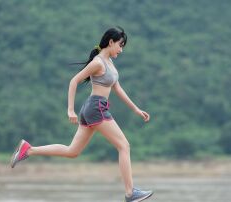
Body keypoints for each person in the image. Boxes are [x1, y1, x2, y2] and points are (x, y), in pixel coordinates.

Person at [10, 26, 153, 202]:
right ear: (111, 42)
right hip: (96, 109)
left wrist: (136, 109)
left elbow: (117, 87)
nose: (121, 50)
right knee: (124, 146)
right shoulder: (98, 62)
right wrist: (70, 109)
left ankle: (28, 150)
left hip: (93, 109)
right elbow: (74, 81)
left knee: (72, 151)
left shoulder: (109, 63)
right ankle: (130, 193)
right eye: (120, 45)